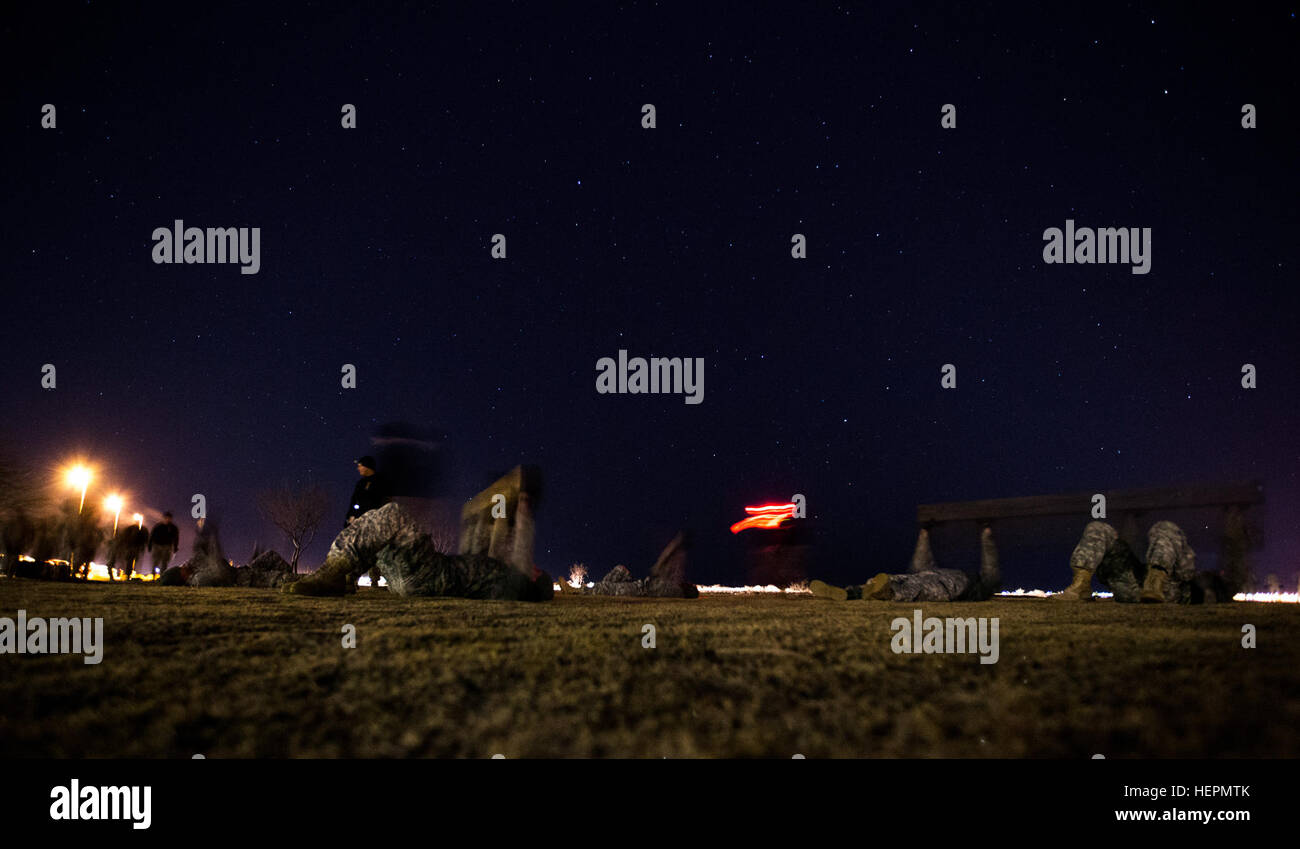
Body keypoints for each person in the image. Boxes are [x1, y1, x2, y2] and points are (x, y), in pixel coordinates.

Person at [285, 502, 552, 600]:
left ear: (532, 579)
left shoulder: (512, 582)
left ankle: (334, 570)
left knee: (393, 514)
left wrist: (525, 514)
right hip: (417, 580)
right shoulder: (498, 576)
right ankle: (340, 576)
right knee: (379, 525)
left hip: (430, 577)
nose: (532, 565)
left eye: (536, 571)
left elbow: (517, 551)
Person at [1052, 519, 1228, 604]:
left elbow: (1189, 574)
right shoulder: (1198, 579)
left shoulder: (1202, 587)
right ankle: (1081, 585)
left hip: (1171, 588)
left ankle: (1155, 584)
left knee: (1164, 527)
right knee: (1098, 528)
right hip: (1134, 584)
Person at [810, 526, 1001, 602]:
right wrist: (924, 535)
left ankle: (857, 592)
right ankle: (858, 592)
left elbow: (991, 570)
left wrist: (987, 536)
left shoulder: (981, 587)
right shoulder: (979, 582)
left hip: (939, 581)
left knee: (913, 584)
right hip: (933, 576)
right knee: (909, 583)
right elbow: (991, 567)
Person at [346, 455, 390, 589]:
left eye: (360, 465)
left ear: (367, 466)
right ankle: (351, 579)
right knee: (357, 550)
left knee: (375, 551)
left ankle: (375, 579)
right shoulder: (360, 484)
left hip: (375, 522)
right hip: (360, 522)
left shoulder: (381, 481)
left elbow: (385, 501)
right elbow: (354, 502)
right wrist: (351, 516)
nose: (358, 468)